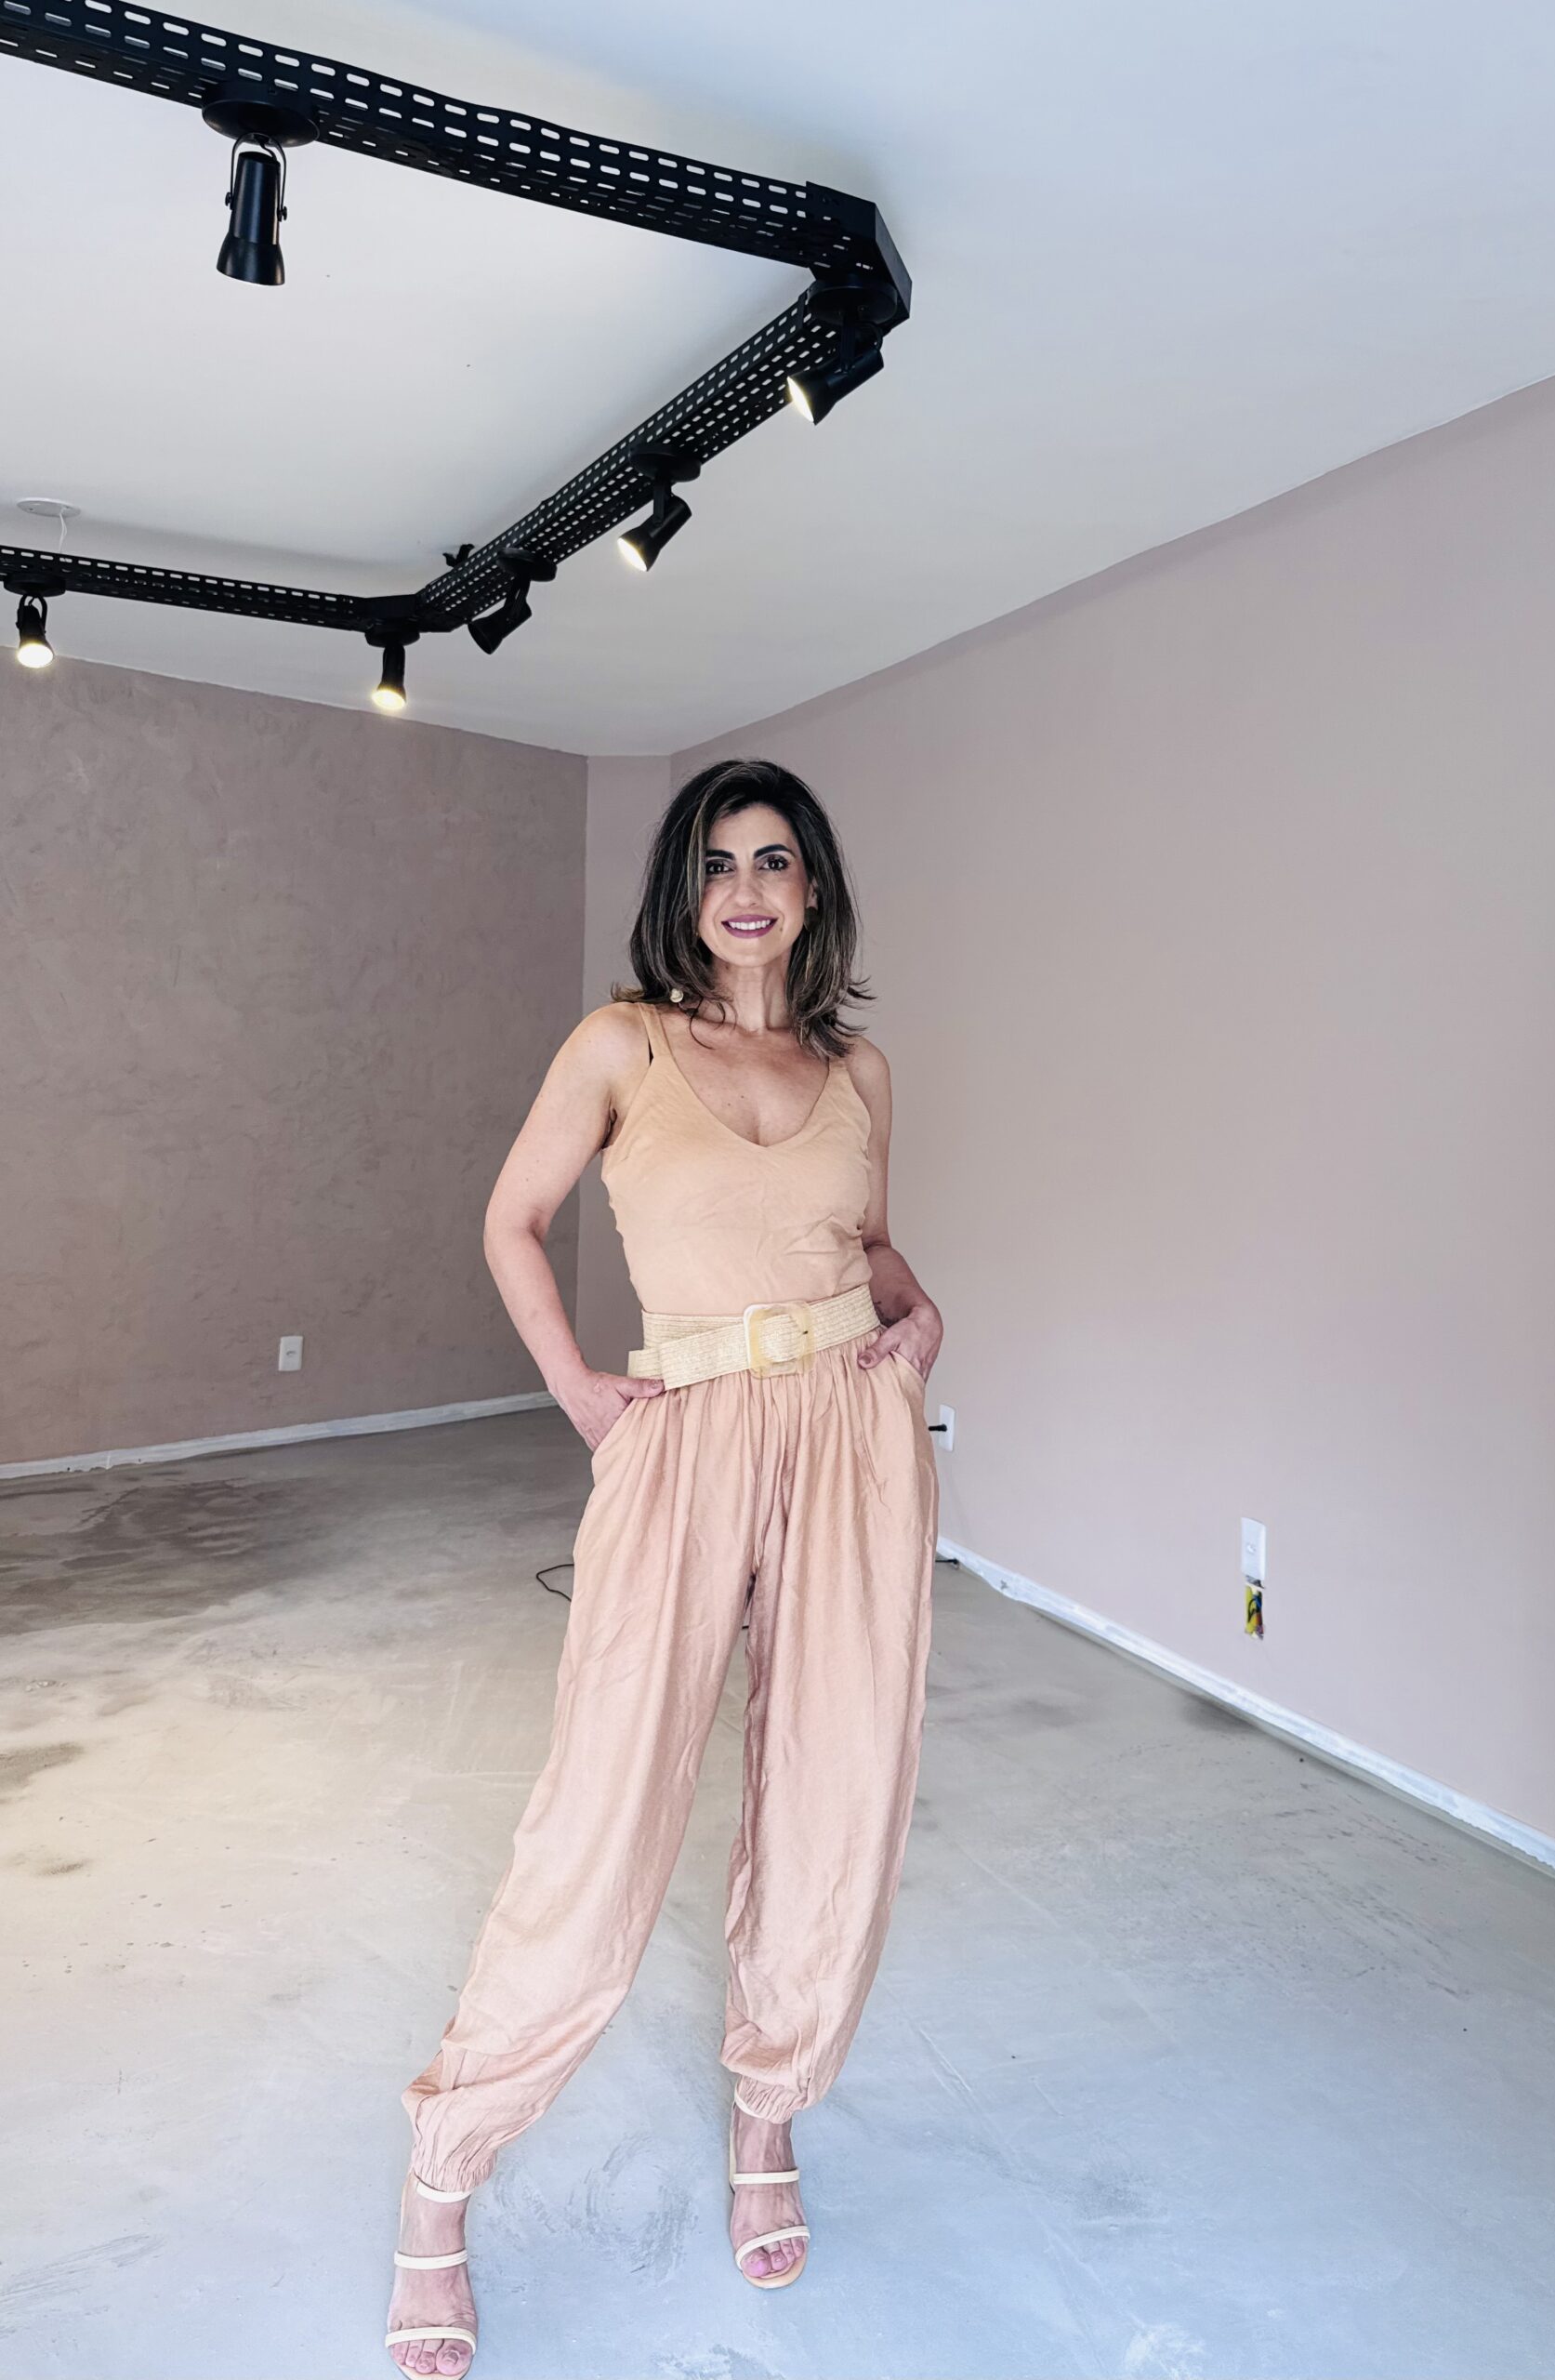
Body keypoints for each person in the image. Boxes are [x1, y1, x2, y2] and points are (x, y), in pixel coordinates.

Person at [385, 758, 942, 2375]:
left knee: (837, 1786)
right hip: (683, 1425)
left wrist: (917, 1309)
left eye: (771, 860)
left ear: (812, 885)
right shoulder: (620, 1043)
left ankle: (767, 2115)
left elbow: (863, 1240)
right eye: (715, 864)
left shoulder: (858, 1066)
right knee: (604, 1802)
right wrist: (578, 1390)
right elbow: (512, 1219)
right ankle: (444, 2166)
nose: (744, 890)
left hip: (849, 1429)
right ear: (680, 893)